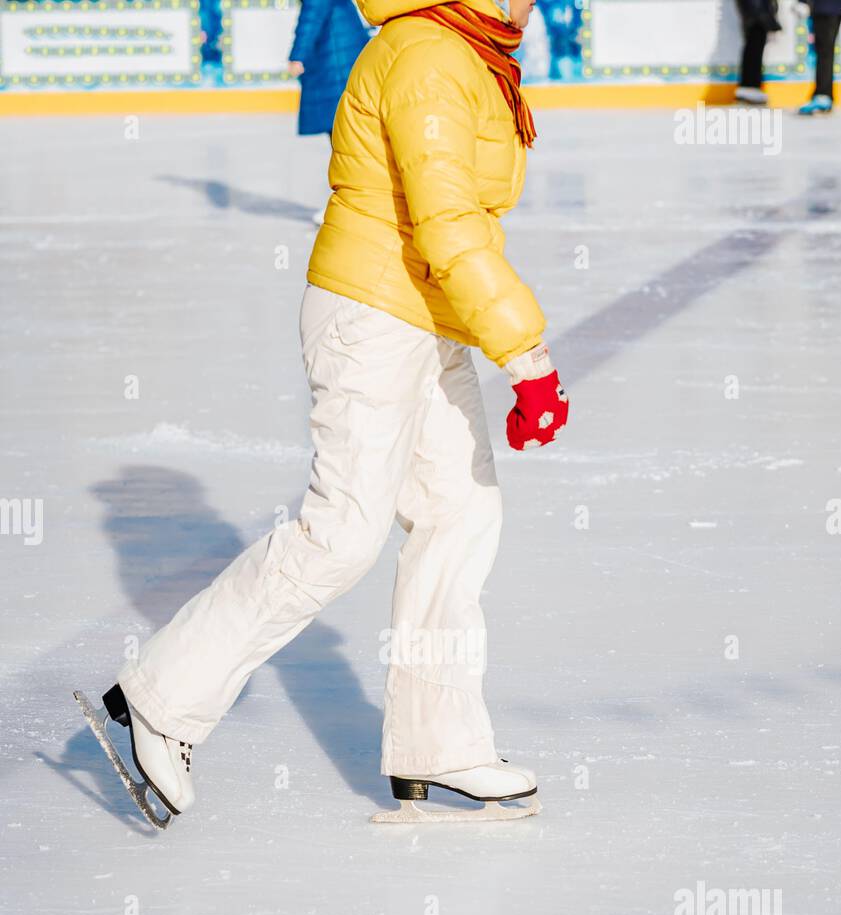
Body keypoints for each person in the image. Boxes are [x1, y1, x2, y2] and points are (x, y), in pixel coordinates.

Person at [89, 0, 568, 825]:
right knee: (343, 531)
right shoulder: (428, 56)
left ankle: (438, 740)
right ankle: (162, 696)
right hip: (373, 317)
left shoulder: (466, 47)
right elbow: (449, 221)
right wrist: (528, 359)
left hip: (425, 315)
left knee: (461, 513)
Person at [287, 0, 369, 139]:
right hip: (341, 45)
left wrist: (298, 56)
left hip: (335, 53)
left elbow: (312, 16)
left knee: (341, 124)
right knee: (347, 123)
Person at [799, 0, 841, 113]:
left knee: (824, 49)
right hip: (833, 6)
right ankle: (824, 94)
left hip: (825, 6)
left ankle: (823, 94)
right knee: (826, 48)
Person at [734, 0, 782, 106]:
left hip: (757, 12)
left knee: (755, 47)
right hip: (756, 12)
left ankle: (751, 86)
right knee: (754, 47)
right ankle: (749, 85)